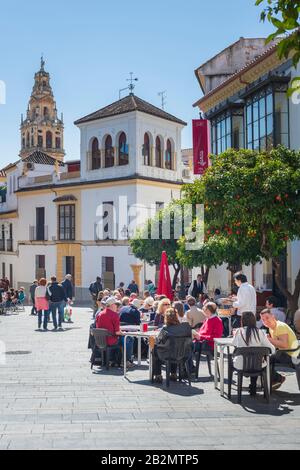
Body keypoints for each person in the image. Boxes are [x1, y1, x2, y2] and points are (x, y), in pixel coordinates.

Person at [232, 311, 275, 396]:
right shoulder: (260, 332)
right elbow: (272, 349)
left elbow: (234, 344)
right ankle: (253, 386)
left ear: (242, 321)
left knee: (251, 359)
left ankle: (252, 386)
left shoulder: (238, 331)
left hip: (241, 364)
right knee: (256, 360)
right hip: (258, 365)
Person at [260, 309, 299, 390]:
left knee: (265, 359)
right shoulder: (271, 328)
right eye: (263, 320)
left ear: (273, 316)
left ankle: (277, 379)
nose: (265, 321)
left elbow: (284, 344)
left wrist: (268, 339)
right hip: (285, 354)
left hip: (292, 356)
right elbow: (276, 344)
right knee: (264, 358)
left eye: (267, 318)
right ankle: (275, 380)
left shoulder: (280, 326)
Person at [152, 308, 192, 384]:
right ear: (176, 317)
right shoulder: (185, 327)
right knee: (174, 348)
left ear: (166, 318)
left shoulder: (165, 328)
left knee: (155, 350)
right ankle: (173, 373)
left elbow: (159, 341)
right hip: (184, 354)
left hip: (168, 355)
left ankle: (158, 375)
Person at [96, 296, 133, 368]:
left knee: (122, 339)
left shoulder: (100, 314)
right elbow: (117, 333)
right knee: (129, 339)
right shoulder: (114, 315)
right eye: (116, 305)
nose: (117, 306)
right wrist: (125, 333)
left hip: (100, 340)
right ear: (112, 305)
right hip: (111, 340)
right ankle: (125, 361)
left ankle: (112, 360)